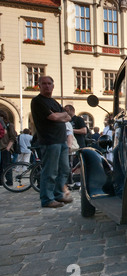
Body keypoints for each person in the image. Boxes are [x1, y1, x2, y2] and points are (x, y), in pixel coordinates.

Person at [31, 75, 73, 208]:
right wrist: (59, 116)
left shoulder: (54, 102)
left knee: (64, 169)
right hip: (50, 141)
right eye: (44, 83)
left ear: (53, 86)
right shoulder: (38, 101)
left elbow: (68, 117)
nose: (47, 86)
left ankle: (58, 194)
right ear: (39, 86)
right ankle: (47, 199)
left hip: (61, 140)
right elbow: (54, 116)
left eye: (49, 83)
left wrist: (58, 116)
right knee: (50, 171)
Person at [0, 110, 17, 186]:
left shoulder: (9, 125)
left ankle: (9, 181)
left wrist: (8, 148)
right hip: (1, 147)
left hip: (6, 147)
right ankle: (0, 181)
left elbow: (13, 137)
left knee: (7, 166)